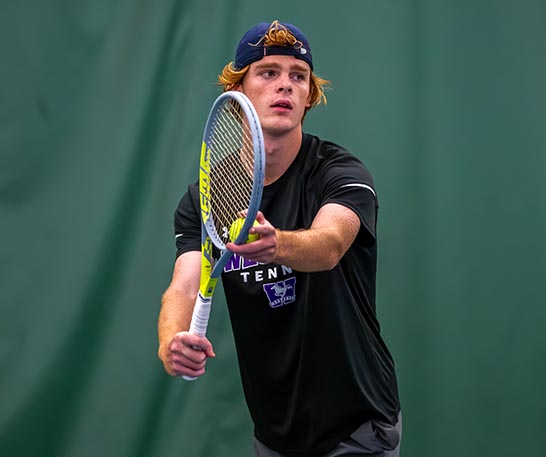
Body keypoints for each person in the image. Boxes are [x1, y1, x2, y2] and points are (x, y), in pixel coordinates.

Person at [158, 20, 402, 456]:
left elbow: (328, 245)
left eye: (298, 76)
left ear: (309, 95)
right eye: (268, 72)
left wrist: (279, 245)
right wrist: (173, 339)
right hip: (274, 435)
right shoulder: (209, 196)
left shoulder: (340, 173)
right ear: (239, 93)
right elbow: (183, 285)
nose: (285, 85)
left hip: (356, 427)